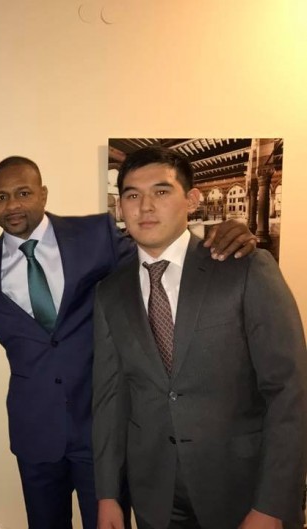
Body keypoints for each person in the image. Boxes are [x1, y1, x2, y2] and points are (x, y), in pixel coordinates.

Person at [0, 155, 257, 529]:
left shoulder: (94, 235)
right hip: (35, 432)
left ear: (43, 194)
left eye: (23, 193)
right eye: (1, 197)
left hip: (103, 429)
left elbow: (157, 256)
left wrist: (219, 236)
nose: (12, 205)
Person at [92, 146, 307, 529]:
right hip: (155, 492)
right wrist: (108, 494)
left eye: (161, 191)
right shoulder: (110, 293)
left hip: (242, 487)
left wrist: (273, 504)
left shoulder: (244, 268)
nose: (145, 206)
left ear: (191, 200)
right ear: (120, 207)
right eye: (132, 195)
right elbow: (110, 400)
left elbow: (290, 390)